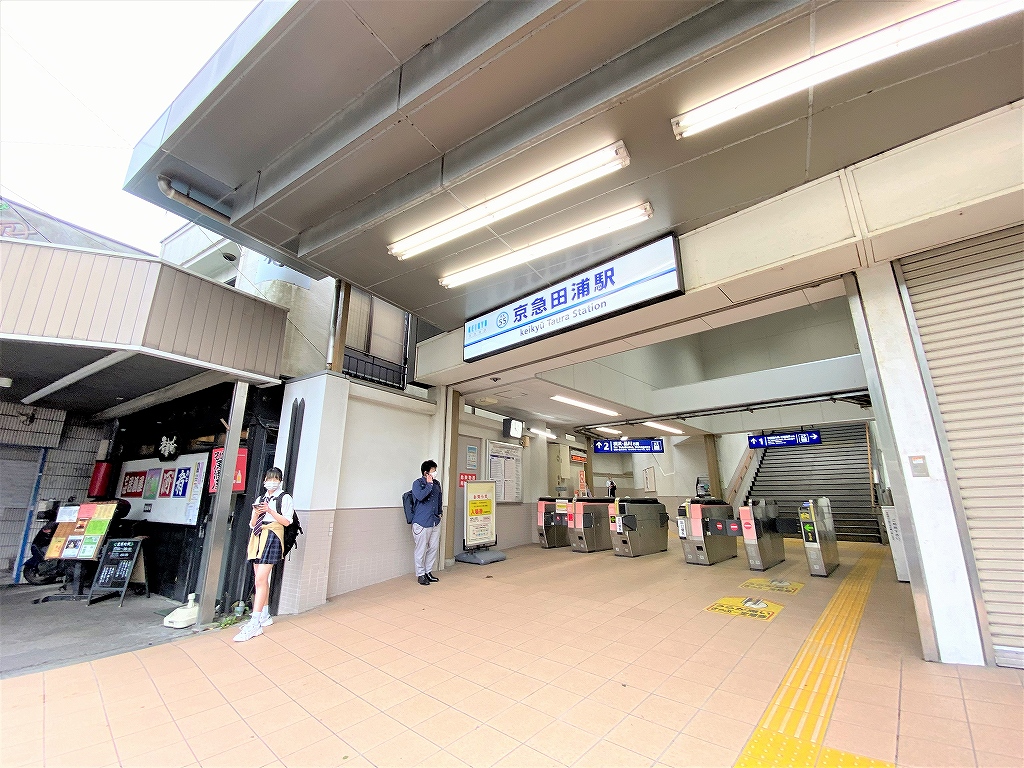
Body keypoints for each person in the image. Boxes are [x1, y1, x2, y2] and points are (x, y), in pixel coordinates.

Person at [234, 467, 294, 642]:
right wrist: (258, 512)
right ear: (264, 481)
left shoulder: (284, 497)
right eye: (269, 478)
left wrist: (269, 511)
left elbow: (286, 521)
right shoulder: (260, 498)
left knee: (261, 579)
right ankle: (264, 615)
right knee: (259, 579)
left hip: (273, 536)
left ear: (280, 481)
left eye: (275, 479)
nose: (271, 482)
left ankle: (254, 623)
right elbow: (252, 524)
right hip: (258, 536)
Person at [410, 460, 442, 586]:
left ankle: (428, 571)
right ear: (426, 472)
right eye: (433, 471)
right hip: (422, 522)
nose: (435, 473)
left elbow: (439, 499)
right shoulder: (417, 483)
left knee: (433, 548)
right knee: (421, 549)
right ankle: (420, 574)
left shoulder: (437, 484)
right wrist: (429, 485)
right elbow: (420, 496)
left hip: (435, 520)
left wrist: (440, 513)